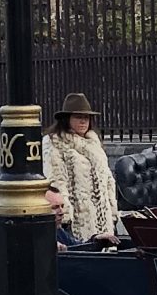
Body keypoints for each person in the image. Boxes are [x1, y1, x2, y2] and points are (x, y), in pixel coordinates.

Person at [45, 94, 120, 244]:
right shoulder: (55, 143)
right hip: (77, 220)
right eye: (78, 117)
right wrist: (65, 215)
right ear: (67, 119)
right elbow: (56, 181)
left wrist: (112, 213)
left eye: (87, 117)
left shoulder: (94, 144)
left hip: (103, 219)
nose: (84, 121)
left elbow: (108, 182)